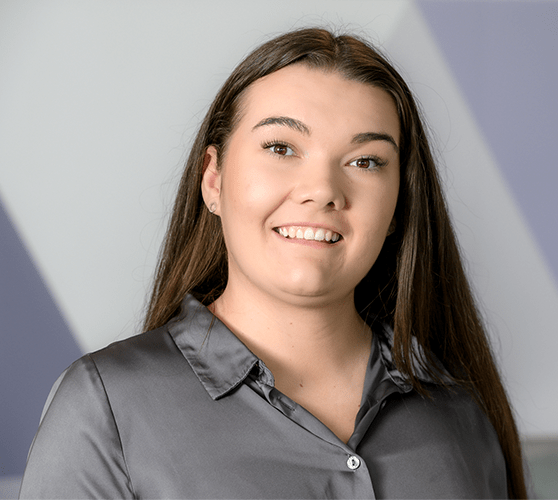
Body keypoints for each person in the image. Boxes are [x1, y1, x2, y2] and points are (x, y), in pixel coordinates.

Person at [20, 27, 527, 499]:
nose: (323, 191)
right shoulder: (106, 408)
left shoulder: (461, 412)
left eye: (366, 161)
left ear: (398, 206)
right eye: (281, 147)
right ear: (213, 181)